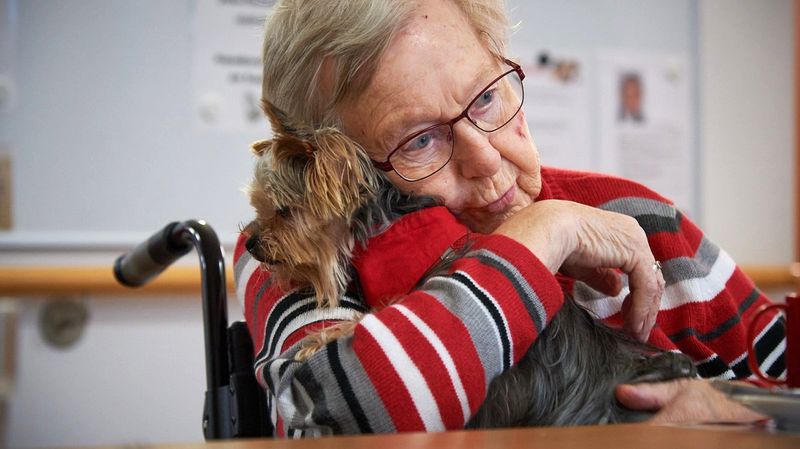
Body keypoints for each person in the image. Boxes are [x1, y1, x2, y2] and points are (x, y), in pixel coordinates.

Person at [234, 0, 782, 437]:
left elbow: (782, 376)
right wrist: (542, 235)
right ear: (335, 170)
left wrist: (744, 413)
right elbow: (329, 422)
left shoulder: (637, 220)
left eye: (488, 98)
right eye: (420, 140)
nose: (489, 159)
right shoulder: (298, 256)